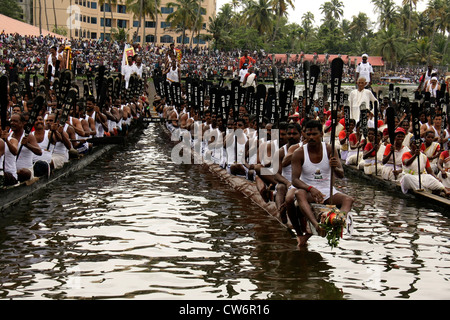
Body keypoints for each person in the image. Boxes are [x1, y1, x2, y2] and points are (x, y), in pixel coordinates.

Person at [290, 120, 354, 247]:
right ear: (304, 135)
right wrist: (310, 188)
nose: (311, 137)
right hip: (308, 191)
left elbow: (341, 174)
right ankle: (316, 225)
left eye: (314, 134)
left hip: (327, 190)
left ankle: (339, 219)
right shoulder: (299, 153)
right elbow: (295, 180)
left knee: (349, 199)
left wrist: (335, 167)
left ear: (321, 134)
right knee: (298, 193)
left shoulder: (330, 149)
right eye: (308, 135)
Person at [10, 113, 42, 182]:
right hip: (12, 171)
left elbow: (39, 152)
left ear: (23, 123)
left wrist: (27, 144)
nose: (12, 123)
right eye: (11, 121)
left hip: (26, 172)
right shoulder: (8, 136)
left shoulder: (29, 136)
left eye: (15, 121)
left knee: (22, 172)